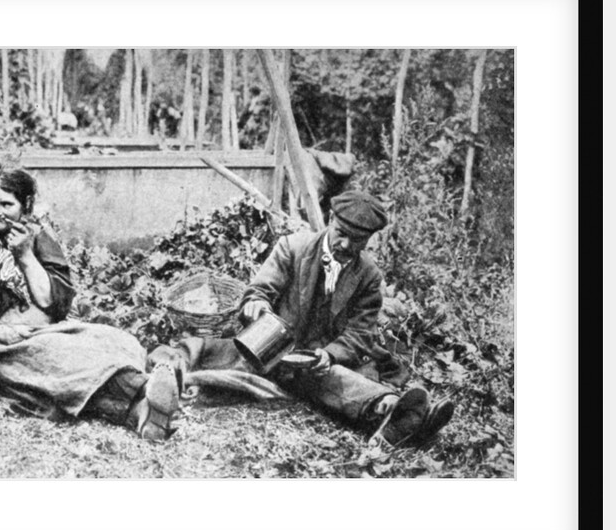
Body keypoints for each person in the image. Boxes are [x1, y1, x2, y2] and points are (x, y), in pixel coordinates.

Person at [150, 191, 455, 448]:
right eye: (342, 234)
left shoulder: (369, 277)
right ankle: (400, 415)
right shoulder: (291, 249)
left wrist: (329, 353)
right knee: (205, 349)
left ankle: (391, 411)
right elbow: (258, 291)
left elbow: (361, 332)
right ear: (330, 221)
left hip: (318, 361)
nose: (346, 245)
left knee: (332, 377)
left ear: (369, 240)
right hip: (270, 352)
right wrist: (257, 307)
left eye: (357, 240)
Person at [0, 164, 180, 440]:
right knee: (64, 361)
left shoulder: (35, 236)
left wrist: (26, 256)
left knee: (109, 338)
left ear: (25, 206)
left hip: (42, 328)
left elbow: (54, 304)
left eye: (6, 204)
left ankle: (143, 414)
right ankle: (144, 389)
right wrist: (10, 334)